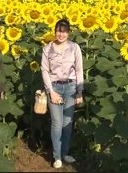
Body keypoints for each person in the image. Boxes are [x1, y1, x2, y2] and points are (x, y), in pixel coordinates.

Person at [40, 19, 84, 169]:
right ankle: (57, 156)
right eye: (59, 31)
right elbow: (44, 70)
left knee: (67, 123)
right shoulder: (47, 49)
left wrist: (80, 91)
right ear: (55, 31)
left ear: (68, 32)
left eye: (64, 31)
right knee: (57, 123)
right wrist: (50, 92)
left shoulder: (74, 48)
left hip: (71, 88)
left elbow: (79, 70)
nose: (61, 34)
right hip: (55, 88)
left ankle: (65, 153)